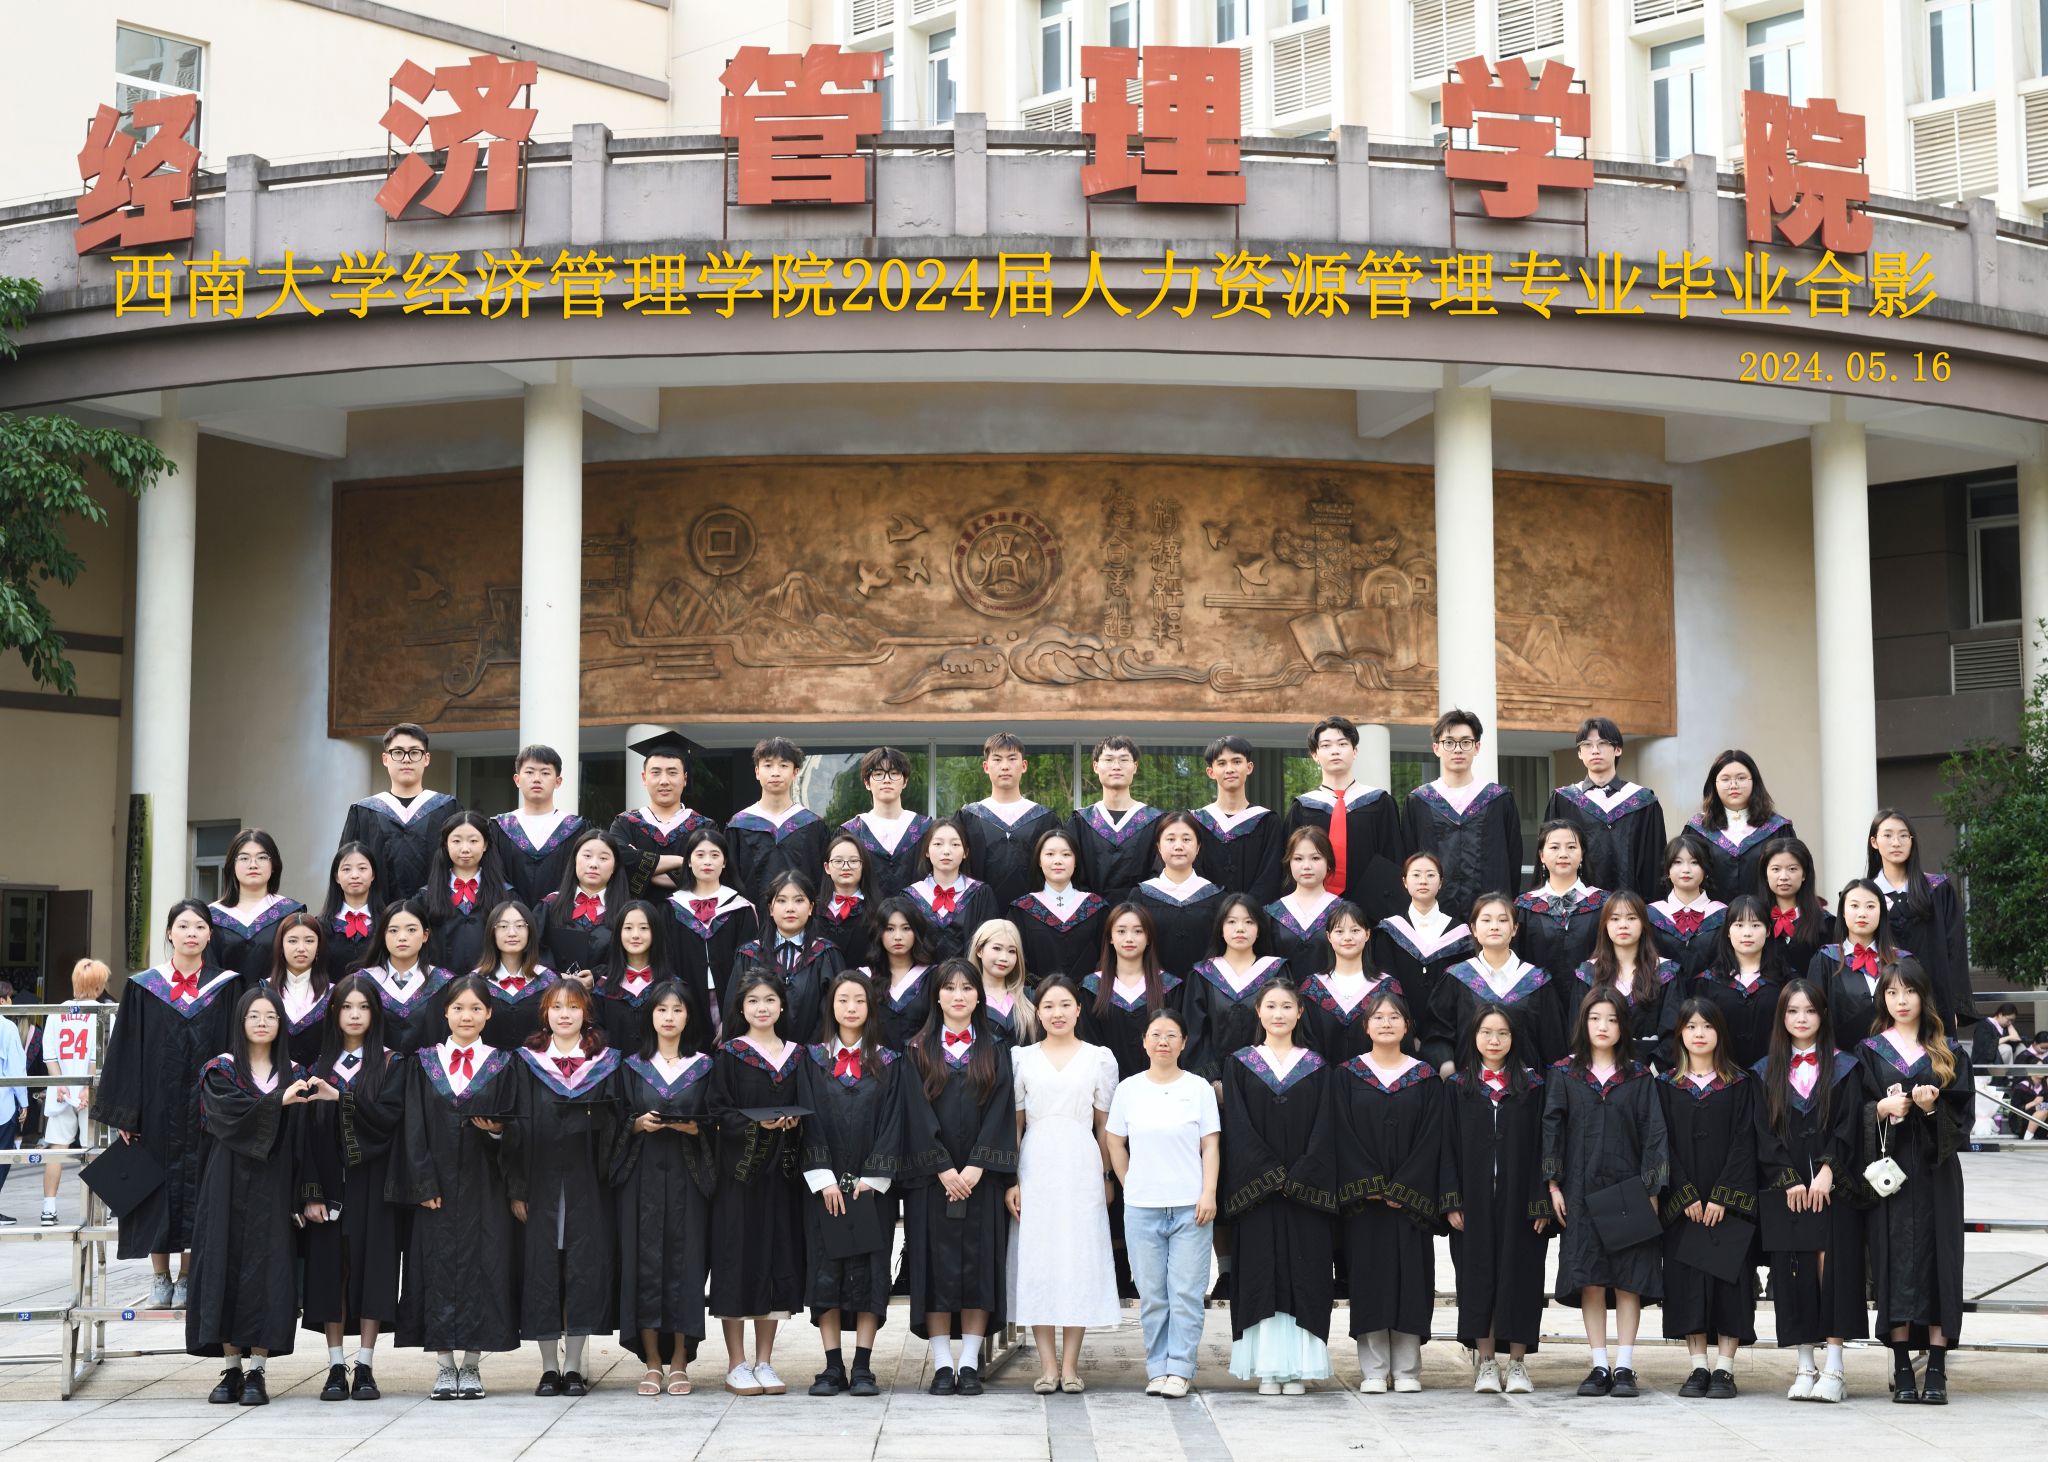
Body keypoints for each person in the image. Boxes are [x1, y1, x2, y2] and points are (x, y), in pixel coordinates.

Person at [98, 898, 243, 1307]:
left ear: (210, 935)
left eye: (199, 927)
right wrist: (126, 1111)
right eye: (183, 926)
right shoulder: (144, 986)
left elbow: (235, 1048)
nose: (191, 933)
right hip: (155, 1107)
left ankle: (188, 1276)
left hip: (207, 1106)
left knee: (203, 1188)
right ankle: (159, 1275)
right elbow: (126, 1050)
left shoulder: (227, 986)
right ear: (169, 933)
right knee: (154, 1188)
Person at [389, 973, 521, 1401]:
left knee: (486, 1267)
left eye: (476, 1009)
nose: (467, 1016)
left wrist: (498, 1130)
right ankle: (445, 1366)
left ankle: (472, 1365)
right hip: (437, 1187)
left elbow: (516, 1127)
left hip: (487, 1186)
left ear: (489, 1014)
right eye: (459, 1008)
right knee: (437, 1268)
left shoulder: (504, 1064)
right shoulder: (424, 1063)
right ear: (445, 1012)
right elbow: (413, 1128)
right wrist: (422, 1182)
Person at [186, 987, 320, 1406]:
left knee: (269, 1271)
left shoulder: (296, 1073)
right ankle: (230, 1369)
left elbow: (306, 1140)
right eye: (254, 1016)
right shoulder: (220, 1070)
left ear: (282, 1024)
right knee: (223, 1266)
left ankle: (258, 1370)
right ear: (240, 1022)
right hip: (225, 1181)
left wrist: (307, 1193)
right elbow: (229, 1119)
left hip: (275, 1184)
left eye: (271, 1016)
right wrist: (279, 1100)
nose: (262, 1023)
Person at [1545, 983, 1669, 1399]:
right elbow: (1552, 1129)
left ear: (1623, 1026)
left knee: (1628, 1278)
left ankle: (1625, 1366)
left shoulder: (1638, 1076)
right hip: (1580, 1189)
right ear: (1583, 1023)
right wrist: (1553, 1184)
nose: (1603, 1026)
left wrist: (1652, 1189)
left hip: (1628, 1187)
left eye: (1612, 1019)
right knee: (1591, 1277)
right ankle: (1599, 1364)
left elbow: (1654, 1133)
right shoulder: (1565, 1073)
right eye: (1595, 1018)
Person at [900, 960, 1017, 1398]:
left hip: (980, 1181)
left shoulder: (996, 1049)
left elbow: (1002, 1109)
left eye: (967, 988)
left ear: (978, 996)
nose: (958, 996)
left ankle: (968, 1361)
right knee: (934, 1268)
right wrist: (943, 1167)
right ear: (937, 995)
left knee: (978, 1268)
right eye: (949, 988)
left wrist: (977, 1166)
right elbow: (913, 1112)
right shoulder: (916, 1050)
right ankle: (942, 1364)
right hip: (932, 1182)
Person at [1859, 961, 1972, 1405]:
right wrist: (1881, 1110)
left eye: (1909, 991)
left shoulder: (1948, 1050)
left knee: (1941, 1260)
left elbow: (1963, 1119)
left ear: (1924, 996)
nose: (1901, 1000)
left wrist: (1930, 1111)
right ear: (1883, 999)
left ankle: (1937, 1368)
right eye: (1892, 993)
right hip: (1891, 1176)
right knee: (1893, 1262)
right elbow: (1854, 1112)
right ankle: (1903, 1366)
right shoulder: (1870, 1050)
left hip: (1936, 1173)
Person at [1220, 978, 1338, 1396]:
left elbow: (1326, 1127)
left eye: (1287, 1006)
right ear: (1258, 1011)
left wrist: (1301, 1174)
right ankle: (1268, 1368)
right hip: (1258, 1193)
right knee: (1261, 1273)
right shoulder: (1239, 1064)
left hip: (1305, 1193)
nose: (1279, 1014)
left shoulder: (1318, 1066)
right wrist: (1269, 1173)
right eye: (1271, 1006)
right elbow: (1237, 1126)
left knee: (1305, 1272)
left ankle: (1300, 1368)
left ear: (1300, 1013)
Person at [506, 981, 623, 1397]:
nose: (565, 1014)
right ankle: (548, 1368)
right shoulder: (526, 1062)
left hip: (588, 1184)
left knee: (582, 1269)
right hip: (540, 1183)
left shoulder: (606, 1063)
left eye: (573, 1006)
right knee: (543, 1270)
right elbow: (516, 1126)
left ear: (586, 1013)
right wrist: (518, 1187)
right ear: (545, 1014)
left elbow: (617, 1125)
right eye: (556, 1007)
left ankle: (573, 1367)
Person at [1753, 978, 1865, 1404]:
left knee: (1831, 1266)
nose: (1801, 1018)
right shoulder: (1765, 1071)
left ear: (1823, 1016)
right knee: (1793, 1269)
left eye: (1810, 1010)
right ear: (1782, 1017)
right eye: (1793, 1011)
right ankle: (1804, 1364)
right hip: (1789, 1191)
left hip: (1831, 1187)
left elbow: (1850, 1125)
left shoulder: (1845, 1067)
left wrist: (1828, 1170)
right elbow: (1762, 1133)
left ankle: (1835, 1367)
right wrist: (1787, 1177)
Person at [795, 971, 906, 1399]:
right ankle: (831, 1367)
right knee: (825, 1270)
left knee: (870, 1271)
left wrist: (873, 1177)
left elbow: (894, 1122)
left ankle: (862, 1366)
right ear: (831, 1006)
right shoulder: (811, 1060)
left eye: (859, 999)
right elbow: (807, 1120)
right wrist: (823, 1178)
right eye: (843, 1000)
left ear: (870, 1006)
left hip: (870, 1190)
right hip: (823, 1187)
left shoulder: (890, 1062)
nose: (851, 1007)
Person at [1008, 977, 1121, 1393]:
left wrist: (1107, 1175)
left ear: (1078, 1009)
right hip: (1036, 1163)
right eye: (1048, 1006)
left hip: (1081, 1162)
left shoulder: (1099, 1058)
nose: (1057, 1013)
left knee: (1078, 1259)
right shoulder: (1022, 1058)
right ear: (1037, 1013)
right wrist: (1013, 1180)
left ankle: (1071, 1366)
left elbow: (1104, 1125)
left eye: (1065, 1004)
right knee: (1039, 1260)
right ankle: (1047, 1366)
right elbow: (1016, 1126)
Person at [300, 973, 405, 1402]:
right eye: (346, 1007)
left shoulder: (392, 1064)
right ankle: (334, 1366)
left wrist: (340, 1099)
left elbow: (389, 1120)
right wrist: (310, 1193)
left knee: (373, 1271)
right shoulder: (316, 1068)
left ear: (375, 1013)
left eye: (363, 1007)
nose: (355, 1015)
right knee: (332, 1273)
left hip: (374, 1185)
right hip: (329, 1184)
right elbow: (305, 1137)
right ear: (334, 1013)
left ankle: (365, 1365)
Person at [1105, 1008, 1219, 1400]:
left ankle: (1180, 1370)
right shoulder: (1129, 1089)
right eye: (1156, 1034)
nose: (1163, 1042)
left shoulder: (1199, 1089)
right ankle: (1157, 1369)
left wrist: (1208, 1192)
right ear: (1144, 1042)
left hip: (1191, 1207)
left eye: (1171, 1035)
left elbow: (1210, 1145)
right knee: (1153, 1296)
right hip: (1142, 1208)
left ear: (1184, 1043)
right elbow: (1114, 1141)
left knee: (1186, 1293)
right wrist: (1128, 1183)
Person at [1333, 989, 1442, 1394]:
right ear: (1366, 1026)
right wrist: (1372, 1186)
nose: (1386, 1023)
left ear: (1407, 1026)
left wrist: (1404, 1186)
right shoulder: (1347, 1075)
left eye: (1394, 1017)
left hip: (1410, 1205)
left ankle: (1409, 1369)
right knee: (1369, 1280)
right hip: (1366, 1206)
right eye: (1378, 1017)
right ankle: (1374, 1370)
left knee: (1412, 1281)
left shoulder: (1425, 1077)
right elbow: (1341, 1133)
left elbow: (1433, 1138)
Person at [1439, 1004, 1551, 1394]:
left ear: (1513, 1038)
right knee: (1477, 1277)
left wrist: (1541, 1198)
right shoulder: (1458, 1087)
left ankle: (1517, 1364)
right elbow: (1447, 1146)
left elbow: (1544, 1145)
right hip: (1473, 1201)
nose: (1494, 1040)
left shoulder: (1533, 1086)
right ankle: (1486, 1362)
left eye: (1503, 1033)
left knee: (1522, 1277)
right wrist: (1451, 1200)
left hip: (1521, 1202)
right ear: (1473, 1037)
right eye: (1486, 1032)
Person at [612, 979, 715, 1398]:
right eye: (661, 1009)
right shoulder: (630, 1066)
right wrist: (636, 1124)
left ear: (689, 1017)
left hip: (689, 1177)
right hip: (642, 1179)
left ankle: (680, 1361)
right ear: (650, 1016)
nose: (669, 1017)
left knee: (687, 1265)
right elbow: (616, 1118)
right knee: (643, 1265)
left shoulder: (705, 1066)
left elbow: (716, 1120)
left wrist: (696, 1129)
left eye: (677, 1009)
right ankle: (652, 1361)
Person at [707, 969, 806, 1398]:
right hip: (740, 1176)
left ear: (781, 1006)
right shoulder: (730, 1055)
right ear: (741, 1008)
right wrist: (756, 1124)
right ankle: (736, 1363)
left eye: (769, 1000)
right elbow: (718, 1111)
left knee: (775, 1259)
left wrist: (794, 1124)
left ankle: (764, 1360)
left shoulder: (798, 1056)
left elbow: (810, 1107)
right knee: (737, 1261)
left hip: (782, 1176)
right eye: (753, 1001)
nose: (762, 1008)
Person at [1658, 999, 1758, 1399]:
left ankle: (1725, 1369)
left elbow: (1746, 1141)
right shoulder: (1665, 1086)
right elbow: (1660, 1143)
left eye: (1707, 1026)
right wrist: (1683, 1194)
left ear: (1720, 1032)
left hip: (1727, 1207)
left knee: (1730, 1283)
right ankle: (1698, 1366)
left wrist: (1722, 1196)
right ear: (1680, 1033)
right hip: (1684, 1208)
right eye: (1691, 1026)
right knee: (1687, 1284)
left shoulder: (1740, 1083)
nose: (1699, 1033)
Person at [1404, 710, 1523, 924]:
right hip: (1434, 916)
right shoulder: (1419, 801)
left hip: (1490, 917)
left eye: (1466, 742)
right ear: (1436, 748)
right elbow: (1408, 857)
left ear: (1477, 747)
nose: (1457, 749)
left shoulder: (1498, 799)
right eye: (1449, 742)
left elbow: (1513, 858)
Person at [1283, 715, 1404, 922]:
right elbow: (1290, 864)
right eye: (1326, 745)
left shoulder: (1379, 803)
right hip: (1313, 911)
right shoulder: (1302, 808)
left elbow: (1393, 859)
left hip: (1371, 911)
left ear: (1355, 751)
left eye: (1342, 744)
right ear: (1315, 755)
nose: (1335, 751)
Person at [1435, 893, 1569, 1075]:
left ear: (1514, 929)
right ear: (1473, 929)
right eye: (1486, 920)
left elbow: (1554, 1044)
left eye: (1503, 920)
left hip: (1527, 1086)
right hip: (1469, 1084)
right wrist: (1445, 1062)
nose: (1494, 926)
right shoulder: (1457, 977)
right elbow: (1438, 1032)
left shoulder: (1536, 980)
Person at [1867, 809, 1973, 1028]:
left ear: (1912, 841)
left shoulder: (1938, 889)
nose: (1896, 842)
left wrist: (1955, 1006)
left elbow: (1956, 950)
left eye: (1903, 835)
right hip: (1882, 1006)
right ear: (1874, 842)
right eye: (1888, 835)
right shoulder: (1865, 896)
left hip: (1935, 1002)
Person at [1543, 718, 1667, 897]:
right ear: (1579, 753)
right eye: (1587, 745)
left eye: (1602, 743)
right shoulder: (1563, 800)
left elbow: (1654, 863)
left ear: (1618, 749)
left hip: (1631, 905)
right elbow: (1550, 854)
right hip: (1576, 904)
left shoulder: (1643, 801)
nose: (1595, 750)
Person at [1374, 851, 1475, 1070]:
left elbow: (1462, 992)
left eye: (1430, 875)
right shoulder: (1389, 931)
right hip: (1398, 1032)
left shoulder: (1460, 933)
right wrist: (1407, 1030)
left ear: (1441, 882)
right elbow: (1386, 984)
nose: (1423, 881)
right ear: (1405, 882)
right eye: (1416, 875)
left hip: (1448, 1035)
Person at [337, 724, 461, 899]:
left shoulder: (447, 808)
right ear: (385, 759)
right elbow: (346, 868)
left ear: (426, 759)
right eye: (398, 752)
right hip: (377, 912)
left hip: (436, 910)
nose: (406, 759)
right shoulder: (363, 811)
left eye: (414, 752)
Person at [37, 958, 112, 1227]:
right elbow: (99, 1054)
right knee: (95, 1149)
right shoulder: (105, 1012)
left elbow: (49, 1054)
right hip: (91, 1091)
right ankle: (99, 1206)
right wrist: (86, 1089)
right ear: (99, 984)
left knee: (56, 1149)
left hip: (62, 1090)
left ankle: (48, 1208)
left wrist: (61, 1084)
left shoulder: (57, 1012)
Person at [731, 870, 843, 1044]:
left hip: (814, 1055)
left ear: (811, 908)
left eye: (799, 900)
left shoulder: (826, 954)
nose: (790, 908)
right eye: (781, 900)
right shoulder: (749, 954)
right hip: (758, 1054)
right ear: (771, 909)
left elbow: (833, 1016)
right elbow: (734, 1014)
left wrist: (810, 1053)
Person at [1184, 893, 1286, 1083]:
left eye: (1249, 922)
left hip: (1268, 1081)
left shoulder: (1276, 971)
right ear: (1220, 929)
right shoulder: (1203, 975)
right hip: (1216, 1086)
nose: (1240, 928)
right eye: (1231, 922)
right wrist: (1213, 1082)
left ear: (1259, 929)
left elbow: (1287, 1029)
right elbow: (1195, 1035)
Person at [1575, 890, 1681, 1071]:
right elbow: (1578, 1029)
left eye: (1631, 918)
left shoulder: (1666, 972)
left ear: (1644, 924)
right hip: (1599, 1071)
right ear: (1605, 925)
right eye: (1615, 919)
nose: (1623, 925)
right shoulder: (1588, 973)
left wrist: (1653, 1071)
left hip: (1652, 1072)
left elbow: (1674, 1032)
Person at [664, 827, 758, 1029]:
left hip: (732, 999)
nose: (707, 861)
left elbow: (750, 965)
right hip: (685, 1000)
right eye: (700, 855)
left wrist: (735, 1014)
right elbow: (666, 961)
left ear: (724, 862)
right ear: (689, 861)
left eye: (715, 855)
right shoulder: (670, 908)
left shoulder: (741, 908)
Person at [960, 732, 1063, 911]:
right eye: (997, 759)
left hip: (1035, 915)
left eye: (1012, 759)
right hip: (979, 914)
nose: (1005, 766)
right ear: (986, 767)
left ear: (1024, 766)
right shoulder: (968, 817)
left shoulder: (1045, 818)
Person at [1081, 903, 1184, 1080]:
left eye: (1138, 931)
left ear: (1148, 937)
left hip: (1160, 1084)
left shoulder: (1169, 986)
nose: (1129, 938)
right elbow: (1089, 1043)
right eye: (1121, 931)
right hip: (1107, 1086)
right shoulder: (1092, 987)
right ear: (1110, 937)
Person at [726, 735, 829, 911]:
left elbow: (822, 880)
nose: (775, 772)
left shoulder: (812, 825)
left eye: (783, 765)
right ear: (757, 772)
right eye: (768, 765)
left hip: (803, 919)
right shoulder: (739, 825)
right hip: (750, 919)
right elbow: (729, 880)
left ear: (795, 772)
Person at [1815, 879, 1913, 1054]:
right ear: (1843, 912)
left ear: (1881, 912)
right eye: (1854, 906)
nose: (1862, 913)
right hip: (1842, 1059)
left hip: (1895, 1059)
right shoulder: (1826, 959)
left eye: (1870, 906)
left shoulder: (1903, 961)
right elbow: (1814, 1014)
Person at [610, 729, 711, 898]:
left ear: (685, 779)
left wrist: (637, 862)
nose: (664, 781)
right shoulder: (624, 823)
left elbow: (707, 873)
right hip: (635, 913)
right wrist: (682, 861)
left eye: (672, 772)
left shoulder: (704, 826)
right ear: (644, 778)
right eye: (656, 773)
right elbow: (617, 864)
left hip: (688, 914)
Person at [1297, 901, 1401, 1065]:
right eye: (1339, 931)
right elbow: (1304, 1043)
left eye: (1355, 930)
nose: (1347, 937)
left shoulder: (1387, 987)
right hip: (1323, 1078)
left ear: (1367, 934)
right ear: (1328, 936)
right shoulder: (1312, 988)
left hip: (1373, 1079)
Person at [1687, 750, 1795, 904]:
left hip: (1765, 916)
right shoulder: (1697, 829)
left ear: (1754, 782)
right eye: (1725, 779)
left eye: (1741, 778)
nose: (1734, 785)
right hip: (1711, 917)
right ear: (1714, 784)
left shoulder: (1778, 828)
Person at [1691, 896, 1785, 1071]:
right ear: (1728, 931)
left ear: (1768, 931)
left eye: (1755, 925)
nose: (1747, 933)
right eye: (1739, 925)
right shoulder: (1707, 982)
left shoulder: (1785, 980)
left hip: (1774, 1076)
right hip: (1722, 1076)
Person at [1068, 735, 1164, 908]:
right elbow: (1071, 873)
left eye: (1124, 760)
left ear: (1135, 767)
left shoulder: (1155, 820)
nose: (1116, 766)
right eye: (1109, 759)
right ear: (1095, 766)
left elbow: (1160, 874)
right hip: (1089, 914)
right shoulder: (1080, 821)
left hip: (1141, 916)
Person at [1191, 735, 1286, 906]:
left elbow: (1271, 876)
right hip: (1206, 913)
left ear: (1249, 767)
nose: (1229, 769)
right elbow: (1192, 872)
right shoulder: (1196, 822)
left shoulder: (1267, 822)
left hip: (1254, 916)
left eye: (1236, 761)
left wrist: (1245, 911)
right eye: (1221, 763)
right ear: (1211, 772)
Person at [490, 744, 588, 908]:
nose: (536, 779)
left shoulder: (575, 828)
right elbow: (493, 875)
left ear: (558, 782)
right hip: (509, 916)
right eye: (529, 772)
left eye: (545, 773)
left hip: (561, 914)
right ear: (517, 780)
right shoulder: (499, 827)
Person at [1134, 812, 1227, 979]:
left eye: (1186, 839)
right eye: (1170, 839)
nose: (1178, 846)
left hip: (1205, 987)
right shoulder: (1140, 896)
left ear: (1198, 847)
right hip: (1154, 986)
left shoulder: (1216, 897)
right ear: (1159, 846)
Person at [419, 810, 512, 978]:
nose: (465, 849)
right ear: (445, 844)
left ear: (485, 845)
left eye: (473, 841)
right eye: (456, 841)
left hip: (491, 982)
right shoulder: (425, 897)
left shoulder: (506, 895)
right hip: (440, 984)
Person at [1514, 820, 1609, 983]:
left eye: (1571, 847)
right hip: (1539, 993)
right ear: (1542, 855)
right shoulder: (1524, 906)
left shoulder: (1605, 903)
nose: (1563, 854)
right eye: (1554, 847)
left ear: (1582, 854)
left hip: (1594, 994)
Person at [208, 829, 307, 985]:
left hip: (277, 998)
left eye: (262, 857)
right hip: (225, 999)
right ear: (232, 866)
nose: (253, 865)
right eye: (244, 858)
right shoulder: (211, 916)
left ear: (273, 865)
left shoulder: (291, 912)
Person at [1010, 827, 1108, 982]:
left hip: (1089, 993)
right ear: (1039, 861)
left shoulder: (1095, 907)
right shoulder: (1022, 909)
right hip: (1036, 994)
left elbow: (1107, 957)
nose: (1058, 861)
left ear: (1076, 862)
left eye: (1066, 854)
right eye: (1050, 854)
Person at [359, 897, 455, 1055]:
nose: (402, 937)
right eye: (393, 930)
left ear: (425, 935)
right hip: (377, 1068)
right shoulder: (362, 982)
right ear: (383, 935)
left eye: (411, 930)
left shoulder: (444, 983)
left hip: (428, 1069)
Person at [535, 828, 630, 980]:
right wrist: (558, 978)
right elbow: (533, 953)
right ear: (574, 860)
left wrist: (597, 979)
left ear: (615, 866)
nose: (593, 864)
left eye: (603, 858)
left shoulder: (627, 913)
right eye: (587, 856)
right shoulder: (550, 906)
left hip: (606, 993)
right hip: (553, 992)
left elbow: (630, 961)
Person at [840, 746, 932, 899]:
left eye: (894, 773)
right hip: (865, 913)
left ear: (905, 781)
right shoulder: (852, 831)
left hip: (916, 912)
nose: (887, 779)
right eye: (878, 774)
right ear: (867, 783)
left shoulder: (924, 828)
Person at [905, 817, 1000, 961]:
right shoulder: (911, 897)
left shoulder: (980, 894)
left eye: (955, 844)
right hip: (923, 974)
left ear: (965, 852)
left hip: (969, 974)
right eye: (938, 844)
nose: (946, 851)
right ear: (927, 851)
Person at [472, 900, 559, 1051]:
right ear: (492, 933)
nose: (512, 933)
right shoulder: (474, 983)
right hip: (489, 1064)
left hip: (537, 1063)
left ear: (530, 931)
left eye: (520, 926)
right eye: (503, 926)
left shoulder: (550, 981)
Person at [592, 899, 670, 1053]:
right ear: (618, 934)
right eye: (628, 928)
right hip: (614, 1067)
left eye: (644, 928)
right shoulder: (602, 989)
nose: (635, 935)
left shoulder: (671, 987)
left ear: (655, 933)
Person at [862, 894, 939, 1051]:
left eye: (906, 928)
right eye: (889, 929)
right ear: (879, 933)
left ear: (916, 932)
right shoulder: (864, 978)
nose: (898, 937)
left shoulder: (934, 977)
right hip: (877, 1063)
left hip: (922, 1062)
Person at [1647, 836, 1727, 983]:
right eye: (1677, 862)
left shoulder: (1724, 915)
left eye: (1694, 862)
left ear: (1705, 869)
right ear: (1667, 869)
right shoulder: (1649, 915)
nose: (1686, 870)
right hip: (1662, 993)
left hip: (1711, 993)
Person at [1265, 827, 1339, 979]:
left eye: (1315, 858)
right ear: (1289, 863)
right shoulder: (1273, 913)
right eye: (1298, 858)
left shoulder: (1342, 911)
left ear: (1328, 863)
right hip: (1282, 993)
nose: (1306, 866)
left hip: (1331, 993)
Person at [267, 910, 332, 1067]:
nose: (301, 948)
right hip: (274, 1077)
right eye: (292, 941)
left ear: (319, 946)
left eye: (309, 941)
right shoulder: (263, 991)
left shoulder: (334, 995)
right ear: (281, 946)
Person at [1759, 836, 1830, 980]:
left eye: (1792, 869)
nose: (1783, 877)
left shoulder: (1826, 923)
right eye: (1776, 869)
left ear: (1804, 874)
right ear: (1765, 874)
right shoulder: (1756, 919)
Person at [319, 841, 383, 984]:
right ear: (336, 877)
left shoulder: (388, 923)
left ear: (373, 875)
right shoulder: (321, 926)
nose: (355, 875)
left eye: (362, 868)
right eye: (346, 869)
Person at [968, 918, 1038, 1046]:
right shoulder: (964, 998)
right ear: (979, 950)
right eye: (997, 948)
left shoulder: (1030, 998)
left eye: (1011, 951)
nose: (1004, 958)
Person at [817, 832, 881, 966]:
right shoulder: (814, 910)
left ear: (863, 866)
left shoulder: (878, 910)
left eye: (853, 861)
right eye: (838, 861)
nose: (846, 867)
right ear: (827, 867)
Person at [0, 984, 25, 1227]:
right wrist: (24, 1102)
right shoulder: (7, 1027)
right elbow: (16, 1068)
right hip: (3, 1104)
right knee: (3, 1156)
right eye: (9, 999)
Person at [1974, 1001, 2026, 1069]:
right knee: (2006, 1048)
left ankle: (2018, 1073)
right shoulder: (1984, 1025)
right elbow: (1986, 1045)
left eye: (2012, 1020)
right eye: (2009, 1019)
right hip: (1985, 1060)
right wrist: (2008, 1037)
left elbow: (2016, 1038)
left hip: (2001, 1058)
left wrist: (2009, 1025)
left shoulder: (2006, 1026)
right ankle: (2007, 1074)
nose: (2010, 1022)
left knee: (2021, 1047)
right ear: (2000, 1014)